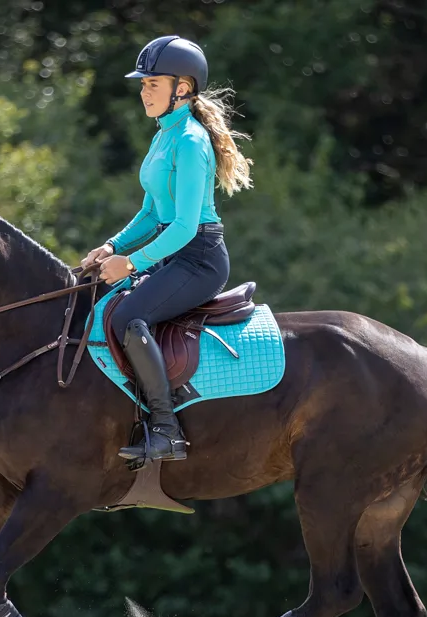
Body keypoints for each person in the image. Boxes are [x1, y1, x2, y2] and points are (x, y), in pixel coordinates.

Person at [80, 35, 253, 463]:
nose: (144, 92)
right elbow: (149, 212)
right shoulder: (163, 135)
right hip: (174, 252)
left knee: (128, 316)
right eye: (143, 84)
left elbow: (184, 227)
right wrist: (110, 246)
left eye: (152, 84)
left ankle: (166, 430)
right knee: (101, 303)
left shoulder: (190, 141)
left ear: (182, 88)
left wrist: (130, 263)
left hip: (199, 258)